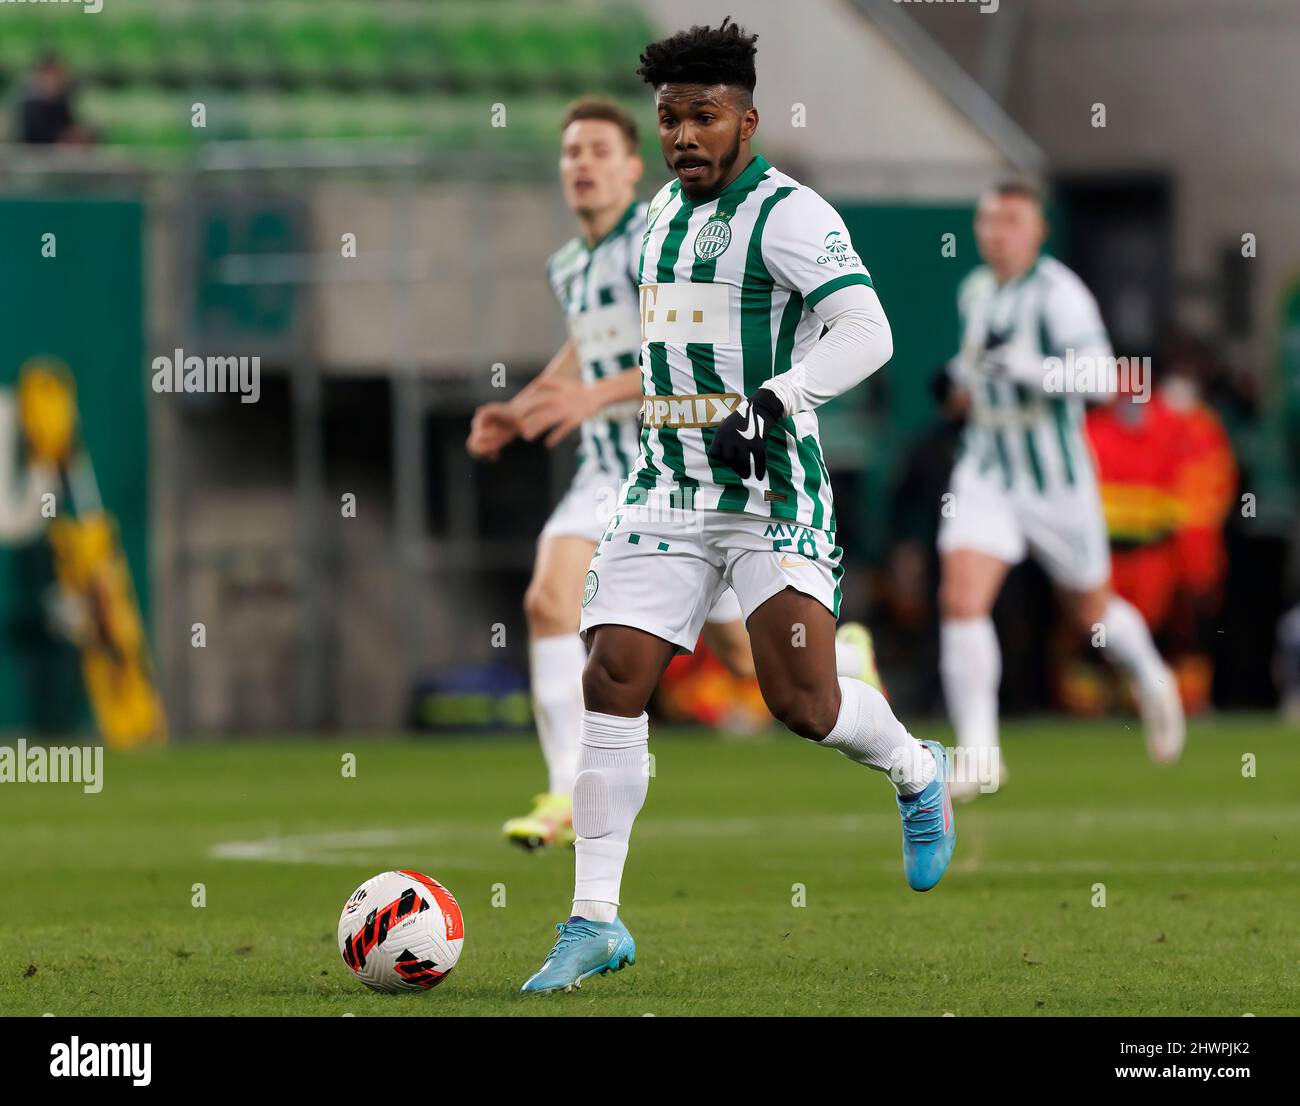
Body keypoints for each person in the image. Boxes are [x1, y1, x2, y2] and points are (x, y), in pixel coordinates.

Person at [520, 19, 953, 996]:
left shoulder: (791, 215)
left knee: (802, 702)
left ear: (747, 121)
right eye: (670, 118)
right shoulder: (658, 221)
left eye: (703, 117)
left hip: (770, 488)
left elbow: (869, 332)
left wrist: (774, 399)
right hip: (665, 484)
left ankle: (916, 767)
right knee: (613, 674)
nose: (683, 135)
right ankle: (593, 918)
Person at [466, 98, 760, 850]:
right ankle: (570, 789)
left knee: (750, 660)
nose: (584, 165)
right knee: (547, 599)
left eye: (600, 151)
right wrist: (524, 408)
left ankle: (842, 656)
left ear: (633, 168)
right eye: (572, 153)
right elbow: (585, 347)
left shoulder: (653, 241)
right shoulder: (569, 264)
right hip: (606, 473)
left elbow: (691, 349)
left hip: (679, 470)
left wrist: (596, 394)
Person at [937, 182, 1184, 801]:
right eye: (989, 220)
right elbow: (975, 366)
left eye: (1012, 221)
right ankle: (979, 754)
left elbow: (1106, 379)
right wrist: (959, 384)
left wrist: (1030, 369)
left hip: (1056, 483)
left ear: (1038, 230)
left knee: (1091, 613)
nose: (997, 232)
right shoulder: (975, 289)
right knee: (962, 598)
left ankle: (1153, 678)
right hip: (988, 468)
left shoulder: (1060, 295)